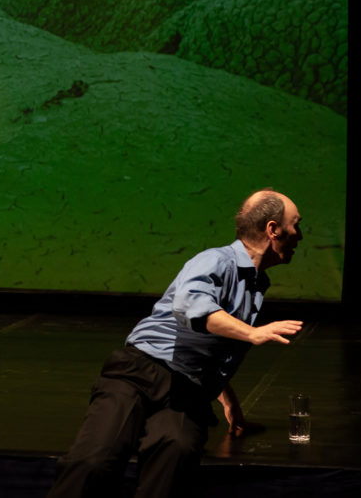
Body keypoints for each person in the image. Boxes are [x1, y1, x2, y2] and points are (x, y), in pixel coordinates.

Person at [47, 189, 305, 498]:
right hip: (140, 372)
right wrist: (252, 333)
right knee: (95, 461)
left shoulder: (256, 282)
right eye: (296, 225)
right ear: (273, 229)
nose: (300, 236)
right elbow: (190, 305)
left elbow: (208, 345)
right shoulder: (216, 260)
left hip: (187, 389)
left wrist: (228, 400)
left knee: (177, 451)